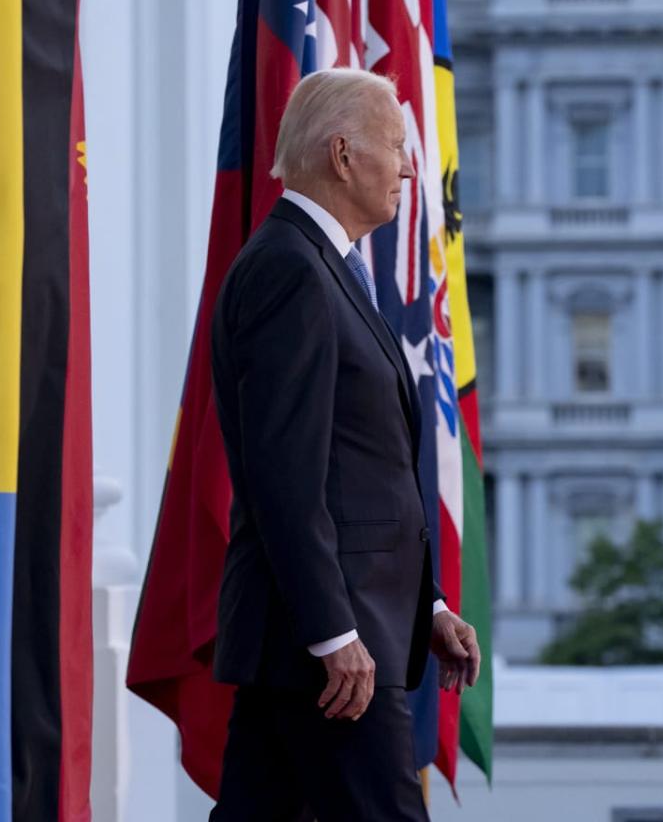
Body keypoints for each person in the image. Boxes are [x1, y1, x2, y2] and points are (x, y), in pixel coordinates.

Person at [207, 68, 481, 821]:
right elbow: (285, 478)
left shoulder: (322, 267)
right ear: (342, 154)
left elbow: (356, 472)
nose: (408, 167)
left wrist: (425, 604)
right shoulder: (290, 272)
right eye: (395, 147)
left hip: (322, 637)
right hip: (328, 651)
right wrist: (334, 634)